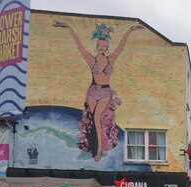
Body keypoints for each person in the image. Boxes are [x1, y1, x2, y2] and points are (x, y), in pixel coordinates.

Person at [53, 20, 143, 161]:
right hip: (93, 91)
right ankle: (93, 146)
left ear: (107, 47)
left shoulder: (110, 59)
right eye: (99, 45)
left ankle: (100, 149)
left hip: (105, 92)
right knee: (92, 122)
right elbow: (79, 46)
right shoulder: (91, 60)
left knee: (97, 119)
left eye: (105, 46)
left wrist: (130, 30)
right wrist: (69, 27)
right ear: (96, 46)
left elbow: (120, 47)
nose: (102, 47)